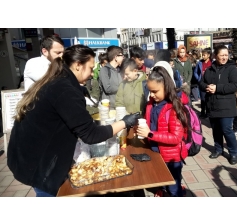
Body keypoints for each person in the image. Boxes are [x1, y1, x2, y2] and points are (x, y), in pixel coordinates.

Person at [7, 45, 140, 197]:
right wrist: (125, 122)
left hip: (26, 157)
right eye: (90, 68)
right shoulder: (65, 89)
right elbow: (91, 135)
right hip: (39, 165)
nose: (91, 74)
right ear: (78, 65)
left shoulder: (58, 80)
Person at [136, 61, 189, 197]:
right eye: (149, 91)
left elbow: (176, 137)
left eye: (155, 91)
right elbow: (150, 123)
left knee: (173, 188)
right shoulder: (151, 104)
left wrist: (150, 134)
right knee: (162, 181)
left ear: (166, 87)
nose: (152, 95)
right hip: (157, 153)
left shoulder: (173, 108)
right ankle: (164, 190)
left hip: (172, 158)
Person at [199, 45, 237, 165]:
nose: (224, 57)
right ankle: (218, 149)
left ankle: (233, 153)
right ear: (215, 55)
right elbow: (201, 82)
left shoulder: (231, 68)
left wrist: (217, 88)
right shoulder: (209, 69)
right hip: (212, 105)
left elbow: (234, 85)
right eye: (222, 55)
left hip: (227, 105)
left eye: (226, 55)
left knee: (227, 130)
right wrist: (206, 87)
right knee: (216, 130)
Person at [194, 47, 212, 118]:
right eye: (202, 55)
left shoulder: (212, 63)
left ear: (208, 55)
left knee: (209, 99)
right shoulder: (200, 63)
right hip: (202, 83)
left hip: (210, 83)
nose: (203, 56)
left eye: (204, 55)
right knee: (203, 99)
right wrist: (199, 79)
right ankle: (202, 112)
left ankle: (208, 113)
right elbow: (195, 72)